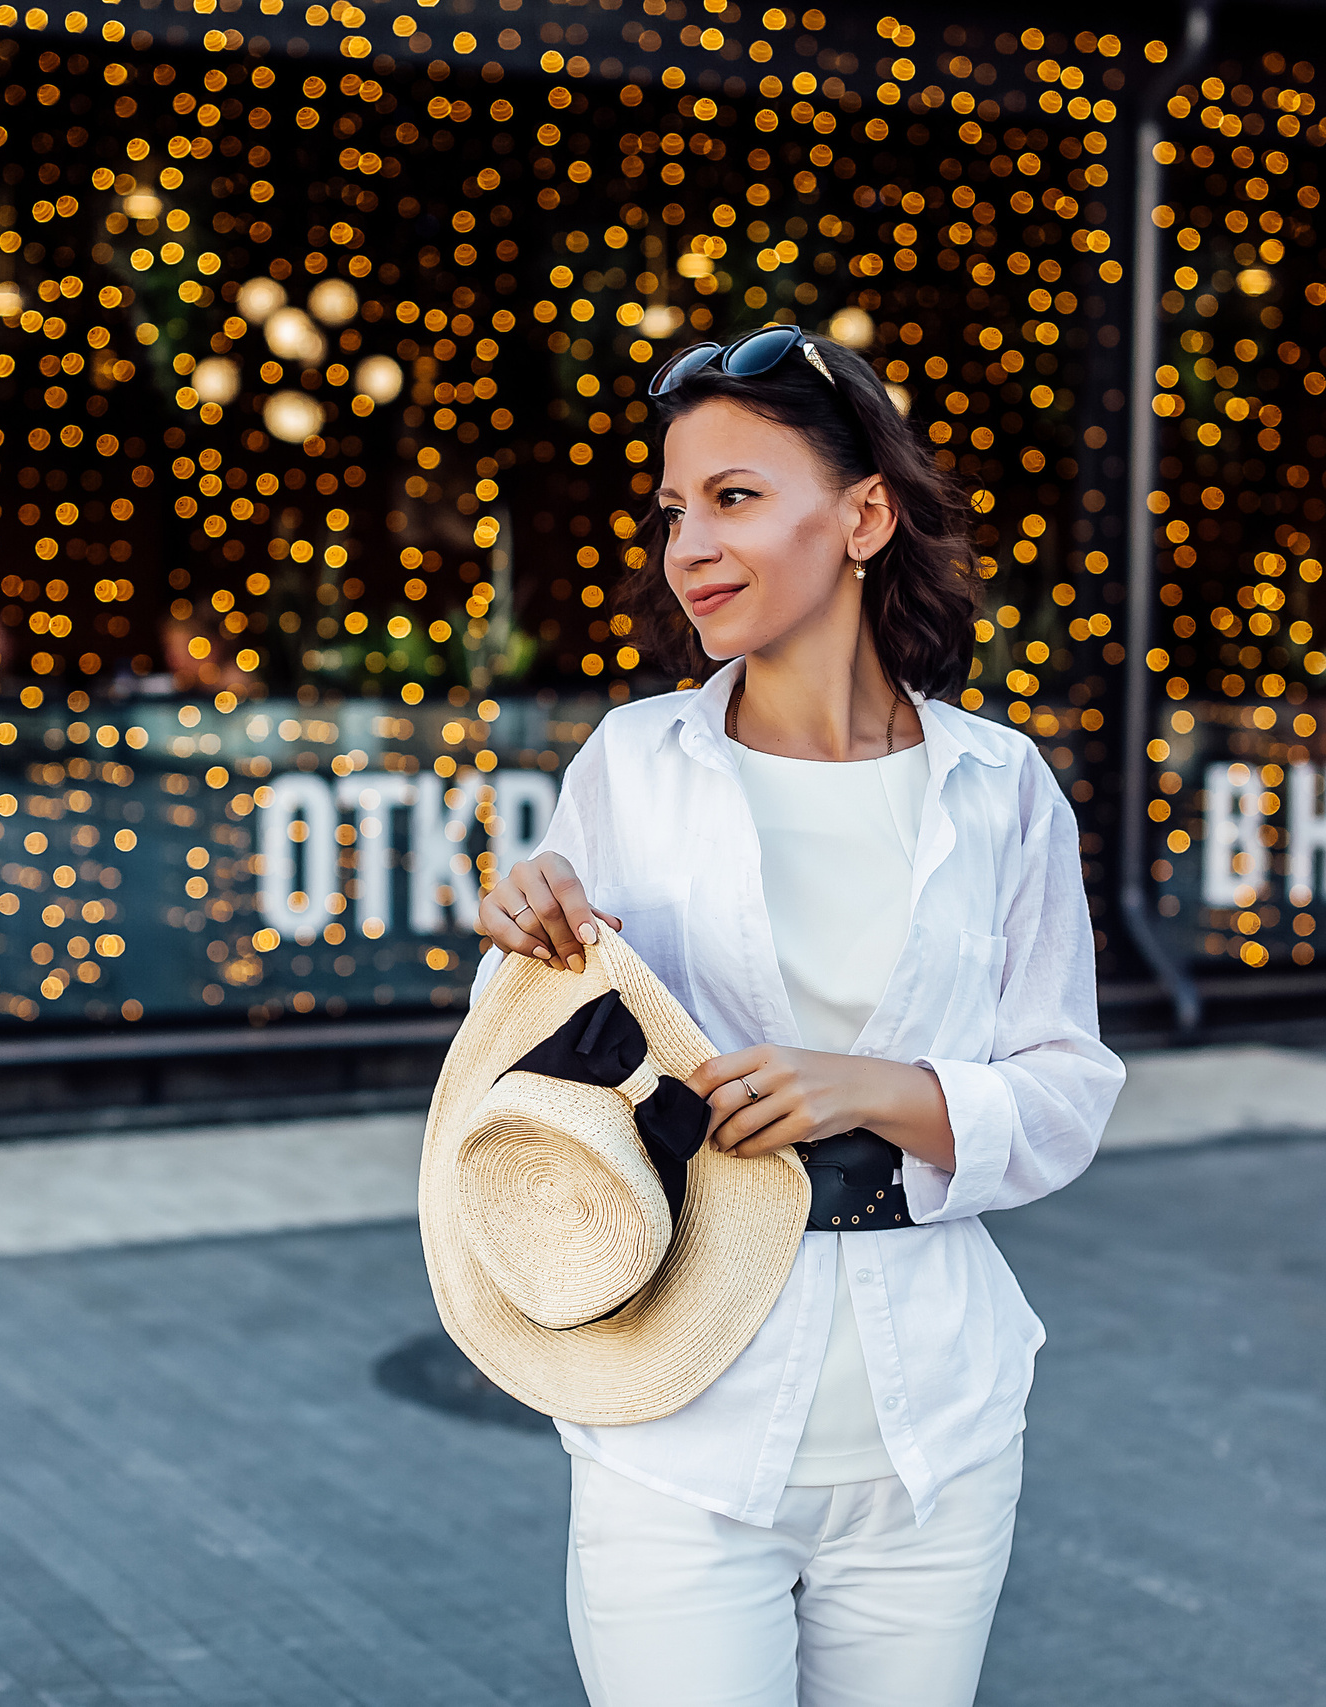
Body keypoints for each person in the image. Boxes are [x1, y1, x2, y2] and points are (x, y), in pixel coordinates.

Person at [470, 325, 1125, 1707]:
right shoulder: (634, 765)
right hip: (676, 1432)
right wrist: (533, 941)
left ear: (865, 514)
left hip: (934, 1439)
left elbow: (1066, 1089)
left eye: (736, 496)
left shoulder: (999, 787)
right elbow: (520, 1077)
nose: (688, 543)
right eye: (673, 509)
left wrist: (872, 1088)